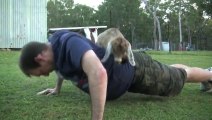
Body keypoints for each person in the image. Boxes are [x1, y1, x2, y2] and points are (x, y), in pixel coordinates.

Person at [19, 30, 212, 120]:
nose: (41, 76)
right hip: (128, 77)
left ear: (39, 58)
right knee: (170, 70)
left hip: (137, 71)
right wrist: (56, 88)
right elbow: (62, 68)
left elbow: (99, 73)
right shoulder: (56, 52)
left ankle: (209, 74)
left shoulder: (69, 43)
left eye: (36, 73)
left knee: (179, 77)